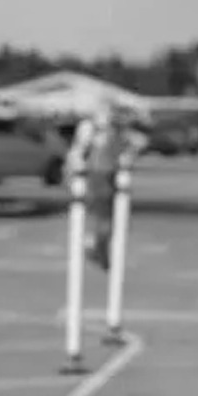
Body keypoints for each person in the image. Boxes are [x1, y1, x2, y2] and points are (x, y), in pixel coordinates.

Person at [66, 102, 146, 272]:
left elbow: (136, 144)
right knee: (103, 217)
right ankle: (97, 249)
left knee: (106, 217)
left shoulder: (112, 132)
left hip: (105, 176)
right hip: (99, 176)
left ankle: (98, 248)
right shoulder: (98, 131)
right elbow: (79, 153)